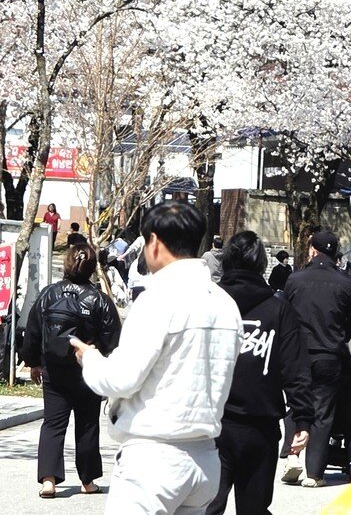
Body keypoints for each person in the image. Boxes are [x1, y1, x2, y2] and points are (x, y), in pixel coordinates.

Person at [71, 202, 242, 515]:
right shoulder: (226, 304)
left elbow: (121, 379)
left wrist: (91, 359)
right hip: (205, 459)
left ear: (154, 242)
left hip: (154, 459)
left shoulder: (158, 298)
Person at [205, 232, 315, 515]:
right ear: (261, 265)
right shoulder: (278, 309)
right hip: (259, 424)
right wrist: (302, 418)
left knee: (206, 506)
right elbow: (294, 367)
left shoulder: (209, 303)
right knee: (254, 507)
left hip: (209, 421)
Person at [23, 240, 122, 498]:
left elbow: (33, 331)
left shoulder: (48, 294)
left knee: (53, 424)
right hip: (86, 371)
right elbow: (113, 339)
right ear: (91, 268)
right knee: (87, 424)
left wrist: (33, 362)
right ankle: (87, 481)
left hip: (53, 371)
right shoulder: (99, 300)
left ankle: (48, 480)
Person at [281, 230, 351, 487]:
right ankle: (314, 473)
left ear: (313, 250)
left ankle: (292, 455)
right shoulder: (348, 283)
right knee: (323, 412)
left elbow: (285, 317)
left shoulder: (295, 280)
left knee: (296, 405)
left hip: (298, 354)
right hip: (330, 355)